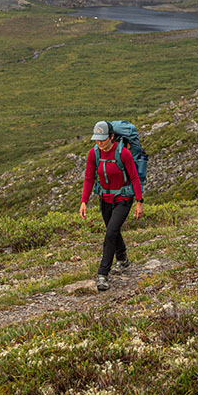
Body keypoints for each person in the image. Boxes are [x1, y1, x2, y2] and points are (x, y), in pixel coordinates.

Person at [80, 120, 144, 291]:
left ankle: (103, 274)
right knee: (113, 231)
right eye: (97, 140)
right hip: (105, 199)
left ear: (112, 137)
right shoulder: (94, 154)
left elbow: (135, 178)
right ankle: (123, 260)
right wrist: (84, 201)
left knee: (110, 233)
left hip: (123, 198)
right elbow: (89, 178)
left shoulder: (123, 154)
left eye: (103, 139)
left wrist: (139, 201)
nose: (100, 143)